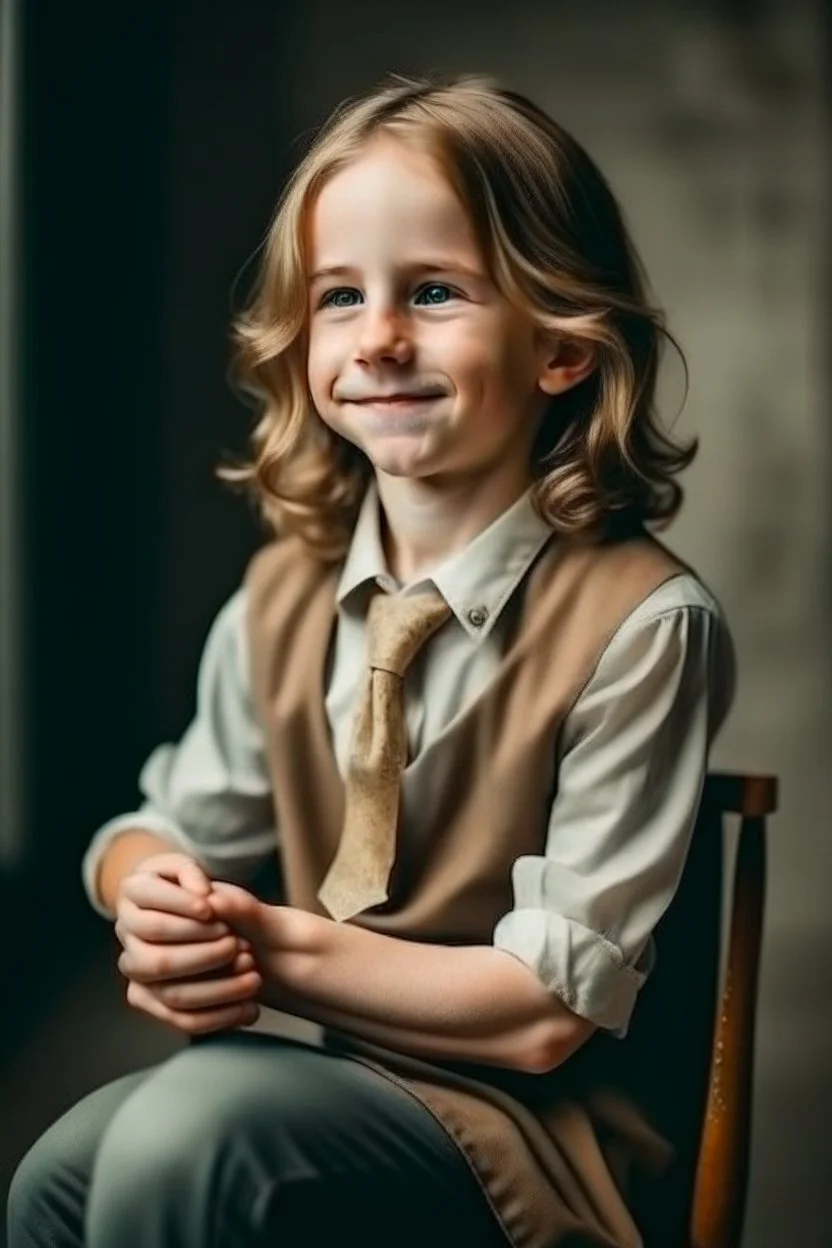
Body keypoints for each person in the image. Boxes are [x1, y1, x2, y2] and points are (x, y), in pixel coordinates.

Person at [7, 71, 736, 1248]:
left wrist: (264, 950)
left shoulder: (642, 624)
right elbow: (169, 820)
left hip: (534, 1142)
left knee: (186, 1135)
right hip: (331, 1090)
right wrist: (148, 894)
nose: (380, 338)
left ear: (559, 345)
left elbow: (544, 1015)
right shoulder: (282, 600)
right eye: (341, 296)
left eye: (436, 291)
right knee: (59, 1174)